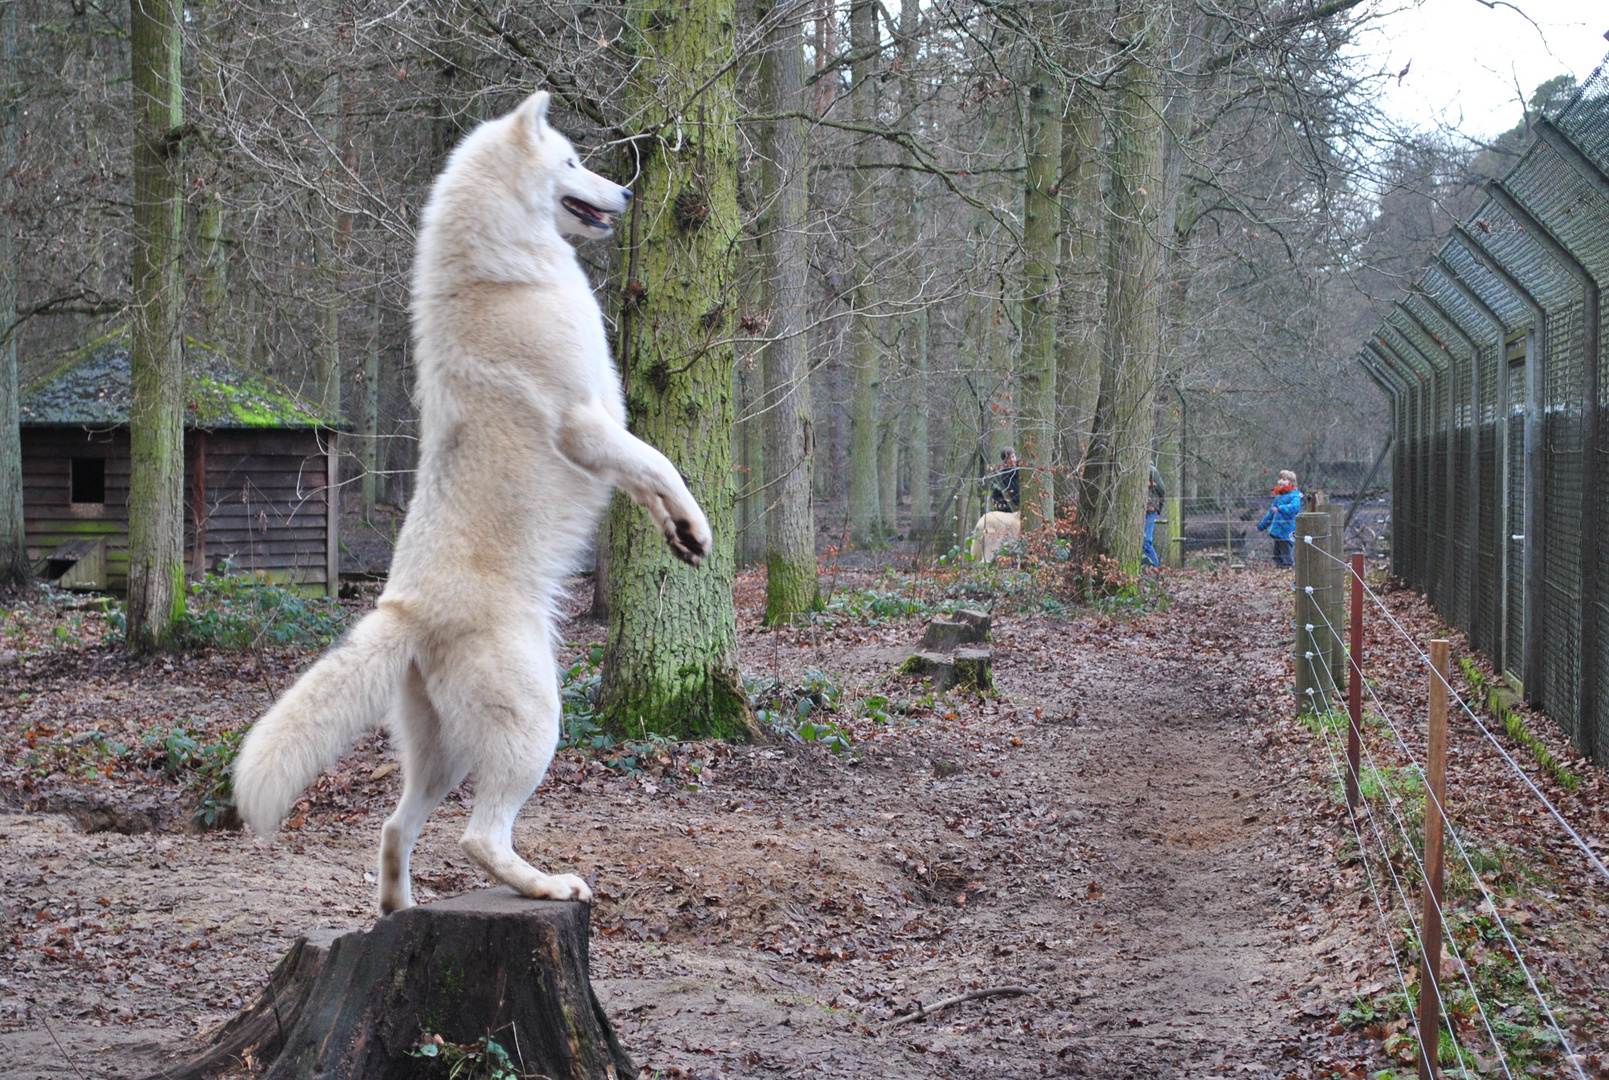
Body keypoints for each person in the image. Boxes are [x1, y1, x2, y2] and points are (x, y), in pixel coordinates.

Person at [1257, 470, 1303, 567]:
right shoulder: (1279, 496)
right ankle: (1279, 570)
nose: (1280, 481)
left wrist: (1280, 508)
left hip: (1288, 531)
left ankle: (1288, 569)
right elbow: (1271, 513)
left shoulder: (1295, 495)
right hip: (1278, 531)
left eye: (1284, 479)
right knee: (1276, 554)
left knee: (1286, 553)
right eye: (1280, 479)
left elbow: (1294, 508)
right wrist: (1262, 525)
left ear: (1291, 482)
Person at [1143, 463, 1165, 568]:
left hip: (1150, 511)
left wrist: (1158, 509)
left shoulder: (1152, 470)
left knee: (1146, 541)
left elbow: (1162, 490)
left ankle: (1156, 567)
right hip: (1141, 511)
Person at [989, 448, 1021, 513]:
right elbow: (995, 498)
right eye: (1009, 458)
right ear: (1004, 460)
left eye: (1013, 456)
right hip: (1010, 513)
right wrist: (1007, 508)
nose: (1012, 460)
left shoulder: (1024, 471)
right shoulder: (1000, 477)